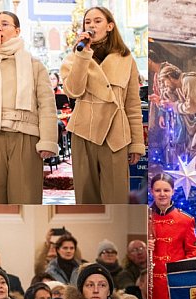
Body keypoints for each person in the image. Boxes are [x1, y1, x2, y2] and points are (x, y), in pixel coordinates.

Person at [0, 10, 58, 204]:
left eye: (5, 24)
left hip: (24, 135)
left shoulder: (35, 65)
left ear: (17, 31)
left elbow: (47, 106)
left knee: (25, 196)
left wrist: (48, 140)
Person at [60, 6, 145, 204]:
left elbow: (132, 104)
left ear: (109, 26)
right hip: (84, 131)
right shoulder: (75, 57)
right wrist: (83, 54)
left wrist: (137, 143)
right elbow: (73, 91)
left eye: (97, 21)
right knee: (86, 196)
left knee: (116, 197)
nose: (91, 25)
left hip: (116, 134)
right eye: (87, 22)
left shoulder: (126, 59)